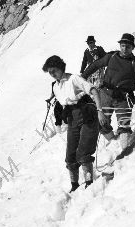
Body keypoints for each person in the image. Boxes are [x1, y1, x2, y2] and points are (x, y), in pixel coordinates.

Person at [82, 33, 135, 150]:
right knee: (101, 123)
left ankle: (126, 142)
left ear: (133, 48)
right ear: (120, 46)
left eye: (128, 46)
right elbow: (95, 65)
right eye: (123, 45)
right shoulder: (111, 57)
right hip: (105, 94)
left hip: (124, 98)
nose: (125, 49)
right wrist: (83, 76)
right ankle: (113, 141)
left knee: (124, 129)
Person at [43, 55, 105, 192]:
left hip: (87, 114)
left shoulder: (74, 78)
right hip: (72, 119)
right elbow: (61, 100)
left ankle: (89, 183)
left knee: (84, 151)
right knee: (70, 155)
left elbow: (94, 90)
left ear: (60, 67)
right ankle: (75, 185)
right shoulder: (55, 86)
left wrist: (100, 110)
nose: (52, 74)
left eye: (54, 70)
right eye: (50, 72)